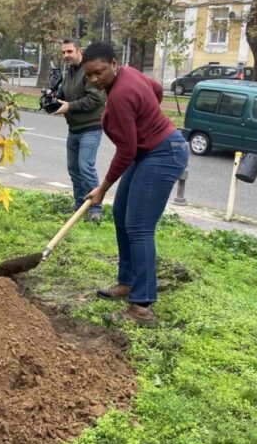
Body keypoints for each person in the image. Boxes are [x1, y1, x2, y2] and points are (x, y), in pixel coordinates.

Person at [82, 42, 188, 326]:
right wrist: (147, 119)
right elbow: (155, 89)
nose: (94, 79)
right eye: (89, 75)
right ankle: (127, 281)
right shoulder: (129, 74)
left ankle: (141, 305)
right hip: (149, 151)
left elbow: (126, 151)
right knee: (122, 214)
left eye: (99, 72)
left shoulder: (121, 96)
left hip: (163, 153)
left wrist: (102, 188)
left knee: (139, 227)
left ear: (114, 64)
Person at [51, 39, 106, 223]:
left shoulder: (88, 71)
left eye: (69, 51)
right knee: (74, 169)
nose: (66, 55)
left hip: (90, 128)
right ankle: (79, 206)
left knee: (86, 168)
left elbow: (96, 99)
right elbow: (66, 97)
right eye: (63, 52)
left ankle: (95, 209)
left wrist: (69, 106)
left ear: (79, 51)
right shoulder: (70, 72)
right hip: (74, 129)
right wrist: (52, 98)